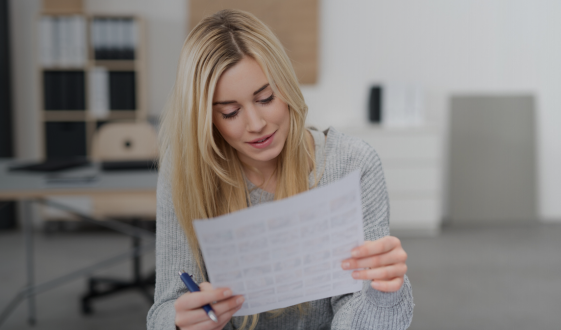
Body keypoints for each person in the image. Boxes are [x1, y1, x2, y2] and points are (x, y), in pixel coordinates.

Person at [147, 9, 414, 330]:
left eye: (266, 98)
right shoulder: (186, 170)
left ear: (286, 86)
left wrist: (384, 290)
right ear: (206, 120)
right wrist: (179, 323)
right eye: (231, 113)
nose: (257, 125)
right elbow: (165, 306)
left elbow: (364, 310)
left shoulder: (352, 163)